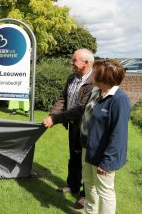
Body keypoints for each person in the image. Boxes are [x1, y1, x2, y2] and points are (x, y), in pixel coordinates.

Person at [43, 48, 94, 208]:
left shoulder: (94, 81)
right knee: (73, 157)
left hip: (86, 127)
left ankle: (85, 195)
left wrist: (55, 118)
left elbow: (80, 109)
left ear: (86, 63)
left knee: (86, 161)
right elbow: (63, 98)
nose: (71, 63)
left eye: (74, 60)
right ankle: (72, 185)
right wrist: (53, 114)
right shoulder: (72, 77)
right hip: (72, 125)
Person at [80, 60, 130, 214]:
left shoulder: (119, 100)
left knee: (105, 192)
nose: (92, 74)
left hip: (104, 155)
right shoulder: (97, 92)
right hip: (89, 149)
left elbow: (119, 134)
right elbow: (88, 119)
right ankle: (90, 212)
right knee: (88, 183)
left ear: (104, 77)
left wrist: (108, 161)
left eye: (95, 72)